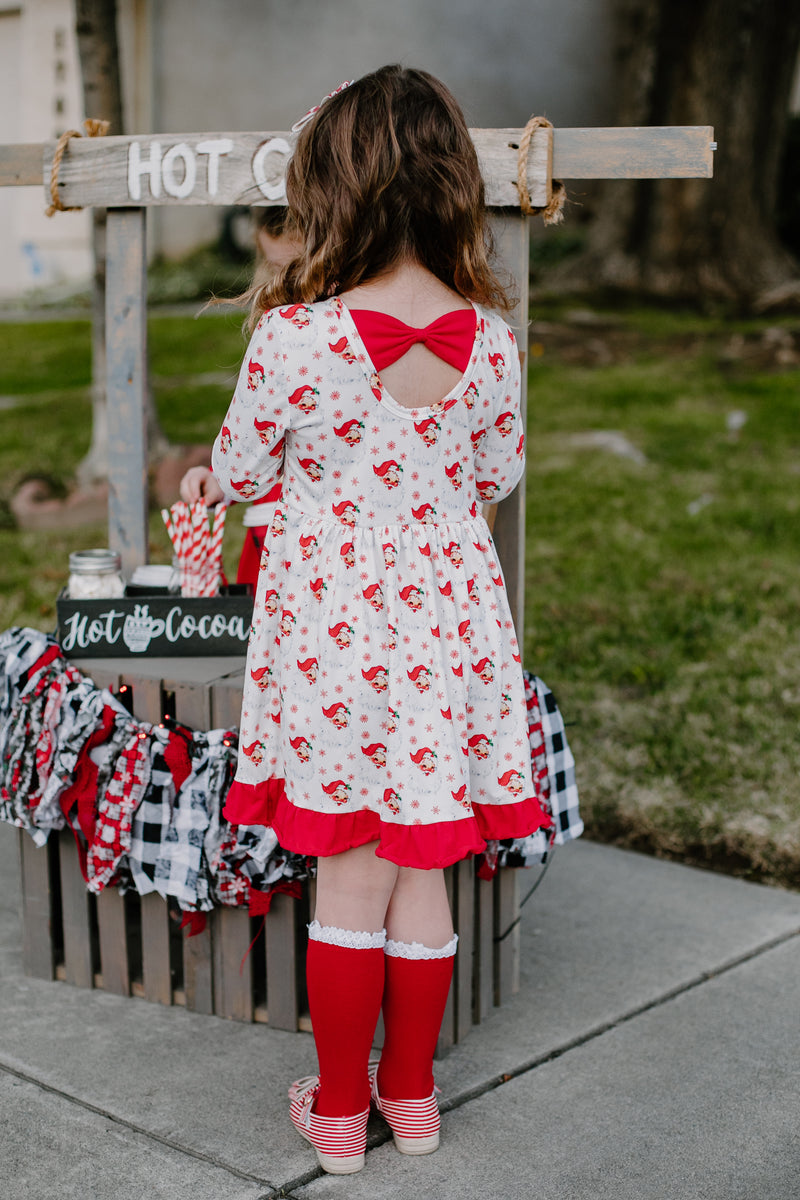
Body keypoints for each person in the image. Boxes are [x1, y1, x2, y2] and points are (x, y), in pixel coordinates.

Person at [211, 65, 549, 1175]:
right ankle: (412, 1098)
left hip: (331, 638)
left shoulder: (293, 341)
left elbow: (242, 470)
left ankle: (340, 1112)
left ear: (331, 186)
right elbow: (493, 476)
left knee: (349, 870)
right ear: (450, 183)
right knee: (424, 867)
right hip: (445, 638)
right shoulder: (490, 344)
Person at [179, 209, 301, 586]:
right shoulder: (277, 332)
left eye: (298, 269)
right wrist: (221, 481)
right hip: (265, 539)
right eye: (272, 266)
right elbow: (257, 439)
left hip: (308, 548)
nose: (286, 282)